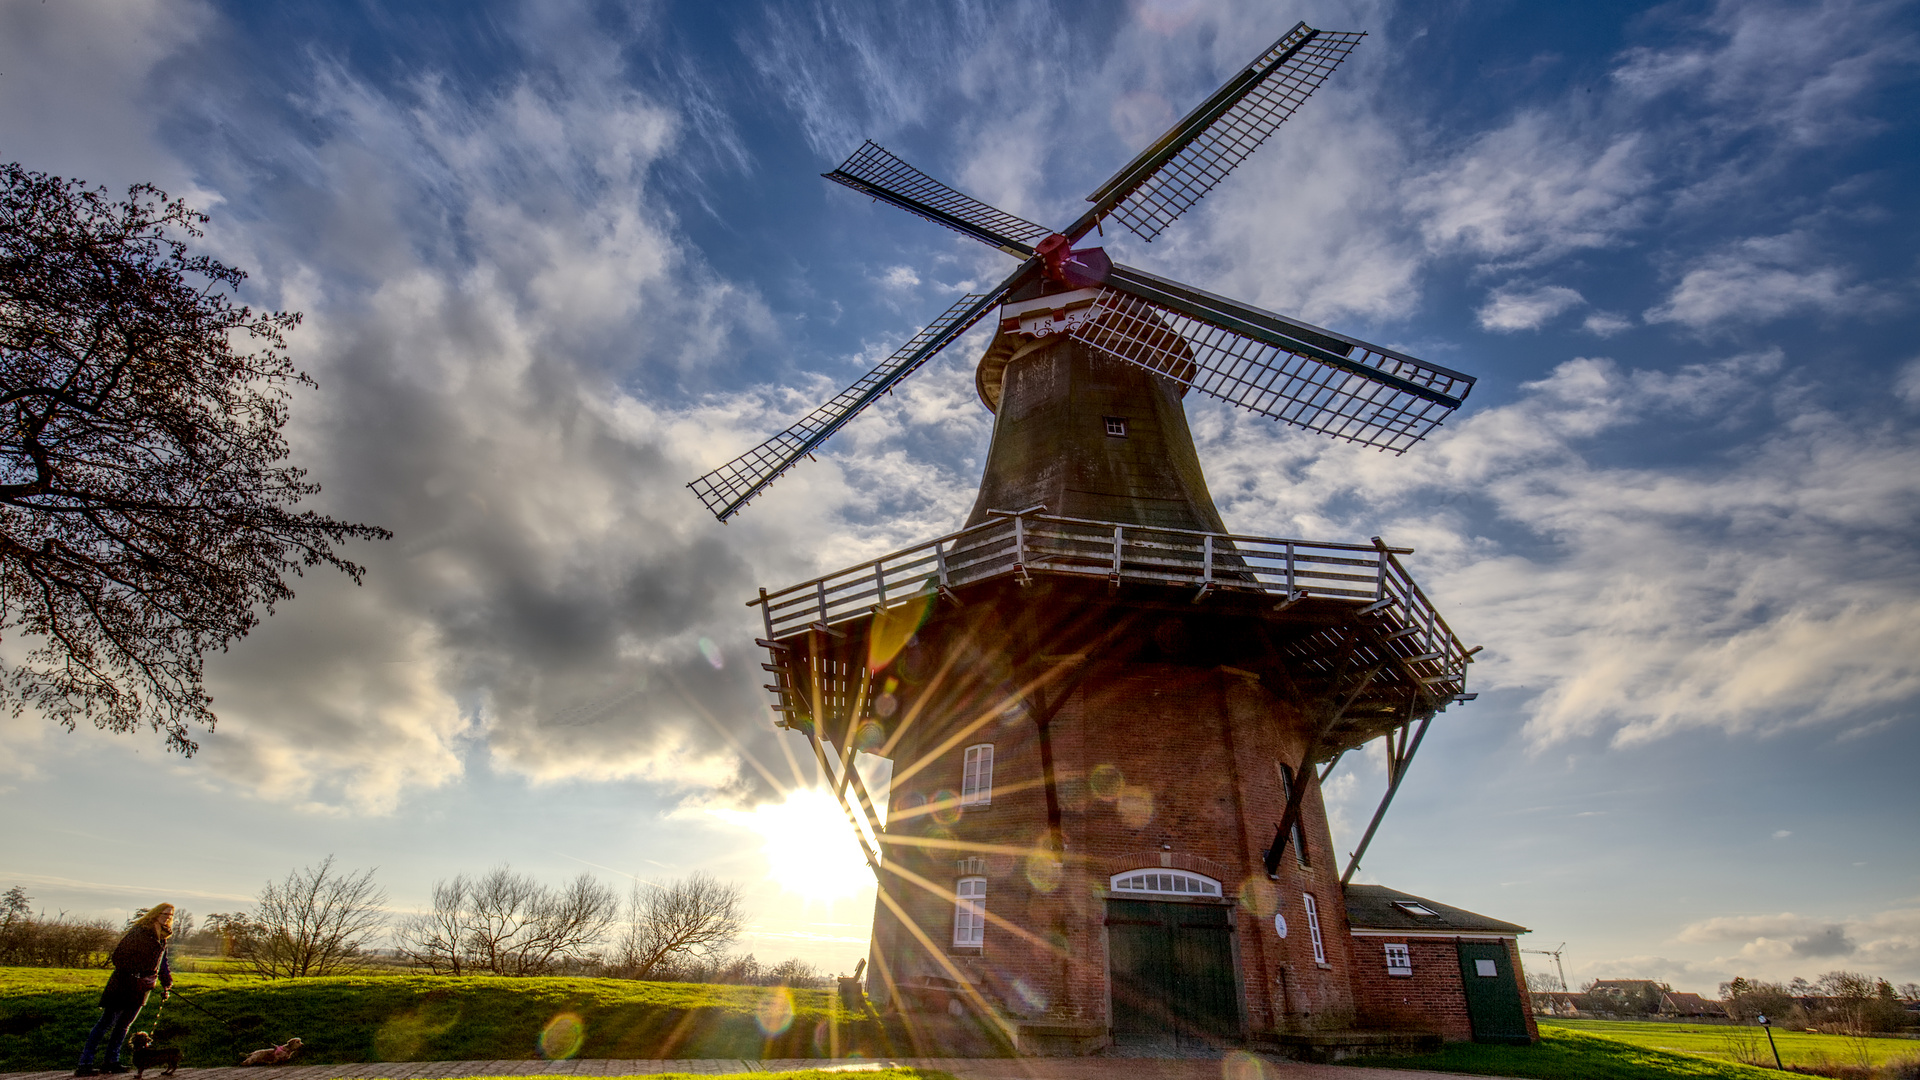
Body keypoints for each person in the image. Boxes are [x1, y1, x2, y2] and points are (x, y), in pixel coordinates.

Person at [75, 904, 175, 1077]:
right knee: (106, 1023)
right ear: (155, 914)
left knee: (123, 1026)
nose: (167, 917)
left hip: (142, 988)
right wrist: (135, 975)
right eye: (164, 913)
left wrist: (166, 983)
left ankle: (111, 1061)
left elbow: (162, 963)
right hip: (123, 985)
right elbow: (118, 957)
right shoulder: (139, 933)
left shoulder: (162, 937)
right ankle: (85, 1063)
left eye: (170, 915)